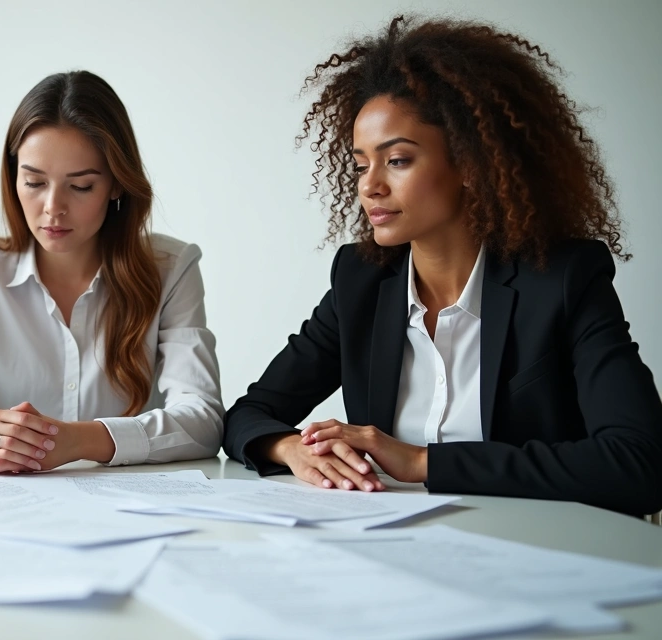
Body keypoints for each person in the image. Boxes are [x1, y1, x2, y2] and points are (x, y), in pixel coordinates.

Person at [223, 16, 662, 515]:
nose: (370, 187)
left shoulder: (562, 279)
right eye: (361, 164)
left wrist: (421, 461)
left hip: (533, 555)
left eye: (399, 160)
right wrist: (290, 449)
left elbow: (641, 463)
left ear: (472, 165)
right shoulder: (361, 280)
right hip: (391, 549)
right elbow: (249, 415)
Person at [0, 71, 223, 473]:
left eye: (80, 187)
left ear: (116, 184)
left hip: (130, 509)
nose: (52, 207)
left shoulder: (171, 267)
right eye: (33, 182)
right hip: (7, 504)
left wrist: (77, 441)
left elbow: (203, 421)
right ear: (14, 178)